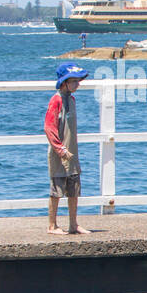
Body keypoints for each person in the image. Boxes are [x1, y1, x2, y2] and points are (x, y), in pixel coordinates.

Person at [44, 62, 91, 235]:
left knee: (74, 189)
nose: (77, 84)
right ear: (64, 82)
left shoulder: (72, 100)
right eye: (74, 81)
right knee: (56, 190)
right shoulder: (56, 100)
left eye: (78, 81)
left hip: (72, 152)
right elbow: (49, 127)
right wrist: (60, 149)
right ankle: (52, 225)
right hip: (59, 153)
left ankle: (73, 224)